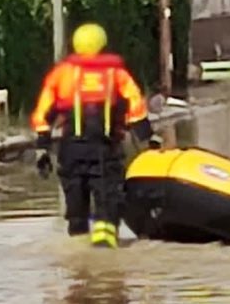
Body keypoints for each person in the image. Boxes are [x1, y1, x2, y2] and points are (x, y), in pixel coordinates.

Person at [30, 23, 159, 248]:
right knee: (108, 206)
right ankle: (105, 259)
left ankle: (79, 263)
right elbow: (136, 109)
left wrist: (42, 148)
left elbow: (42, 114)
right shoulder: (117, 74)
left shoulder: (62, 74)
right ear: (103, 44)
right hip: (106, 151)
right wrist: (149, 140)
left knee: (76, 210)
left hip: (71, 152)